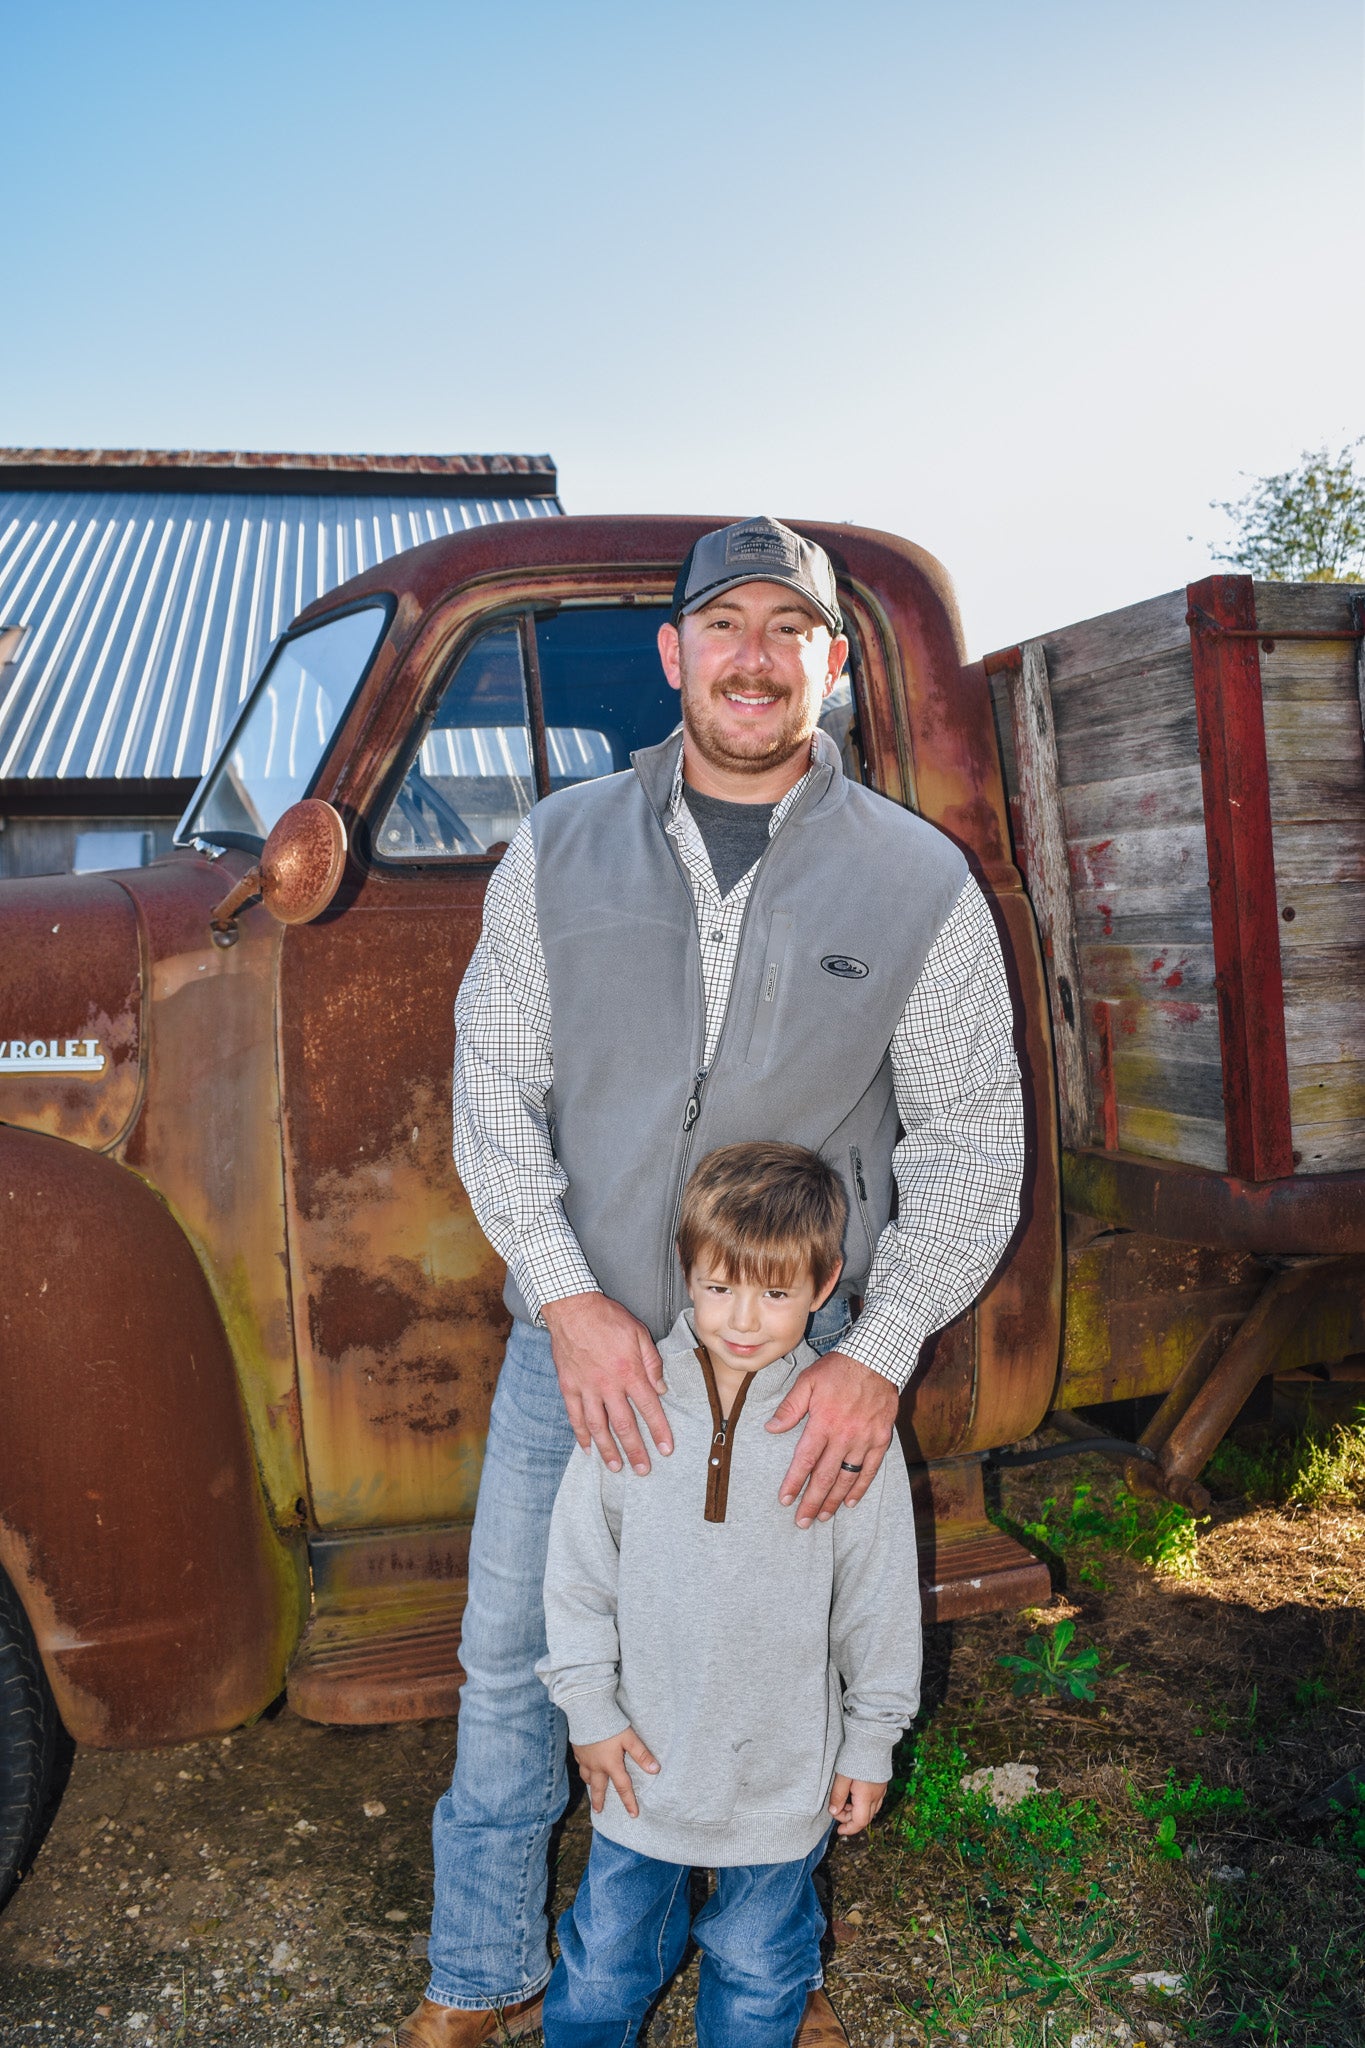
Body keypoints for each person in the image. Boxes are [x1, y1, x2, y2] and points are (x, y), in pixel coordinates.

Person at [399, 516, 1025, 2048]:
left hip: (793, 1367)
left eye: (786, 629)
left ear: (832, 663)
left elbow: (971, 1141)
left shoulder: (918, 880)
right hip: (583, 1352)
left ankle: (771, 1957)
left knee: (789, 1645)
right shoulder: (554, 846)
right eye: (723, 625)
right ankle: (481, 1973)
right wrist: (568, 1295)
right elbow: (494, 1094)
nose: (754, 655)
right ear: (675, 656)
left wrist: (873, 1358)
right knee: (509, 1665)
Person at [537, 1140, 920, 2048]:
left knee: (759, 1970)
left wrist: (869, 1739)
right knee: (602, 1965)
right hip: (643, 1764)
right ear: (687, 1272)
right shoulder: (631, 1400)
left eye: (776, 1293)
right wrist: (587, 1708)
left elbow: (877, 1599)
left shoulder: (844, 1429)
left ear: (824, 1287)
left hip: (783, 1770)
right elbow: (578, 1572)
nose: (742, 1319)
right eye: (719, 1287)